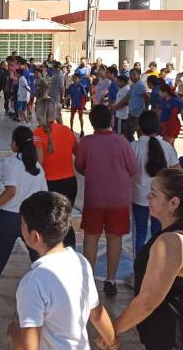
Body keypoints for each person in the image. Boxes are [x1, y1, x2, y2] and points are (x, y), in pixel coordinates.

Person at [110, 168, 183, 350]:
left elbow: (148, 300)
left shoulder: (172, 242)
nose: (148, 197)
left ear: (173, 203)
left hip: (177, 337)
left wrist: (112, 331)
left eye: (154, 194)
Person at [7, 191, 117, 350]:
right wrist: (111, 341)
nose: (21, 228)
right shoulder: (80, 262)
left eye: (23, 225)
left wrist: (14, 333)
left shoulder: (33, 282)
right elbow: (97, 313)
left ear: (35, 236)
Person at [0, 126, 47, 325]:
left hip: (10, 218)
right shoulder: (38, 167)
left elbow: (11, 192)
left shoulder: (10, 162)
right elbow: (43, 195)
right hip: (31, 220)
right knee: (40, 265)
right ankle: (45, 306)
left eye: (12, 140)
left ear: (16, 143)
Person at [75, 104, 138, 296]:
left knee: (91, 236)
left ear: (92, 122)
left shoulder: (86, 142)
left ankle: (89, 279)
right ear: (111, 120)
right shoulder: (122, 142)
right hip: (119, 197)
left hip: (95, 196)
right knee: (114, 237)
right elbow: (133, 168)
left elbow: (79, 166)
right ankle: (110, 280)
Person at [129, 111, 179, 255]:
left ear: (140, 127)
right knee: (158, 232)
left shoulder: (133, 147)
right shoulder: (167, 148)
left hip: (138, 197)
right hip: (162, 199)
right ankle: (156, 264)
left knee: (140, 232)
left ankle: (139, 267)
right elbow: (177, 172)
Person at [33, 98, 80, 246]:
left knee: (49, 222)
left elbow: (38, 162)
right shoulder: (67, 131)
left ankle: (52, 253)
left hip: (49, 183)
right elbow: (78, 152)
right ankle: (70, 251)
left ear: (38, 113)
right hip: (69, 182)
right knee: (65, 220)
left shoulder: (37, 133)